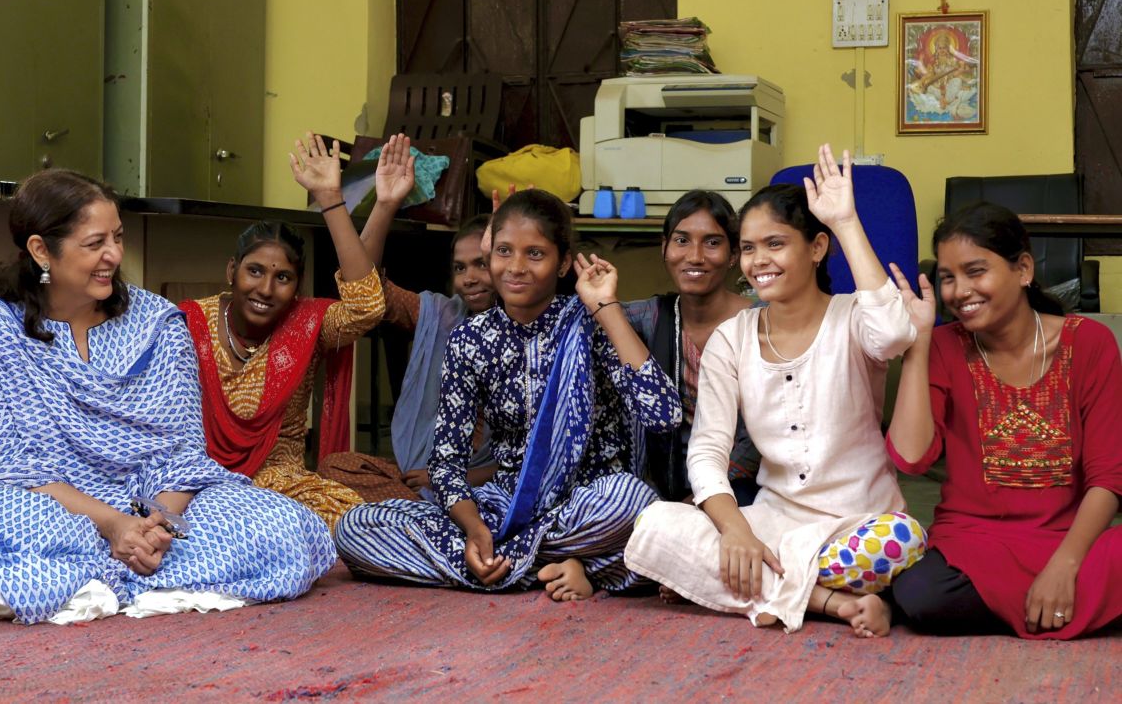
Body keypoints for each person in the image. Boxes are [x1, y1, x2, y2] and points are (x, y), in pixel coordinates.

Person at [0, 169, 335, 628]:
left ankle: (81, 577)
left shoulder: (157, 323)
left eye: (117, 237)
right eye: (95, 243)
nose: (114, 255)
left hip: (150, 506)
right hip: (46, 509)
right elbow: (4, 468)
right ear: (42, 250)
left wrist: (153, 525)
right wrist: (113, 526)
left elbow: (181, 453)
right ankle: (113, 570)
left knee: (282, 528)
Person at [625, 146, 926, 637]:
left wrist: (846, 221)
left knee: (901, 541)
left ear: (816, 247)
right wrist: (737, 530)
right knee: (654, 526)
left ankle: (739, 582)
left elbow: (895, 334)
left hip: (856, 527)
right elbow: (705, 451)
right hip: (772, 519)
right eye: (747, 248)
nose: (758, 261)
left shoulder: (853, 318)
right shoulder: (734, 337)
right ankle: (830, 602)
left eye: (775, 244)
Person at [333, 189, 681, 601]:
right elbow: (445, 465)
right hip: (505, 507)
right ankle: (563, 567)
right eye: (503, 251)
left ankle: (509, 566)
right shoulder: (470, 340)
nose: (516, 268)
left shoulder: (589, 323)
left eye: (535, 254)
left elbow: (664, 415)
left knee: (632, 501)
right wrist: (475, 530)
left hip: (588, 503)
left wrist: (607, 308)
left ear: (564, 261)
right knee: (354, 528)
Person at [886, 201, 1122, 640]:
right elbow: (912, 458)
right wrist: (917, 345)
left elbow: (1108, 478)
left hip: (1071, 540)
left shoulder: (1090, 343)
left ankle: (1047, 598)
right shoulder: (941, 346)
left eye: (976, 271)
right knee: (922, 593)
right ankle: (1062, 609)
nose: (960, 291)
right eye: (948, 278)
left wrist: (1065, 567)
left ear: (1024, 269)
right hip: (977, 545)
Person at [179, 133, 386, 531]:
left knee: (354, 520)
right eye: (254, 271)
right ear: (231, 271)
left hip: (281, 482)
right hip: (196, 479)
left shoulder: (307, 322)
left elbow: (367, 307)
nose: (265, 290)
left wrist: (330, 199)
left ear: (298, 285)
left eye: (283, 277)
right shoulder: (190, 324)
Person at [318, 135, 498, 501]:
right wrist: (385, 205)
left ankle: (417, 515)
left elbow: (530, 459)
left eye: (483, 263)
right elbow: (366, 289)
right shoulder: (443, 313)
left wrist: (447, 478)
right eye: (460, 268)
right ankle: (417, 512)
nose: (470, 278)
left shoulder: (534, 332)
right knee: (335, 468)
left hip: (486, 482)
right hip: (420, 476)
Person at [622, 190, 758, 507]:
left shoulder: (760, 321)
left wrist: (703, 497)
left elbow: (759, 440)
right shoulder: (651, 316)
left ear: (733, 254)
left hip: (743, 486)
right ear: (664, 248)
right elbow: (580, 314)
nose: (695, 256)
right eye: (682, 241)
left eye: (712, 242)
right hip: (665, 487)